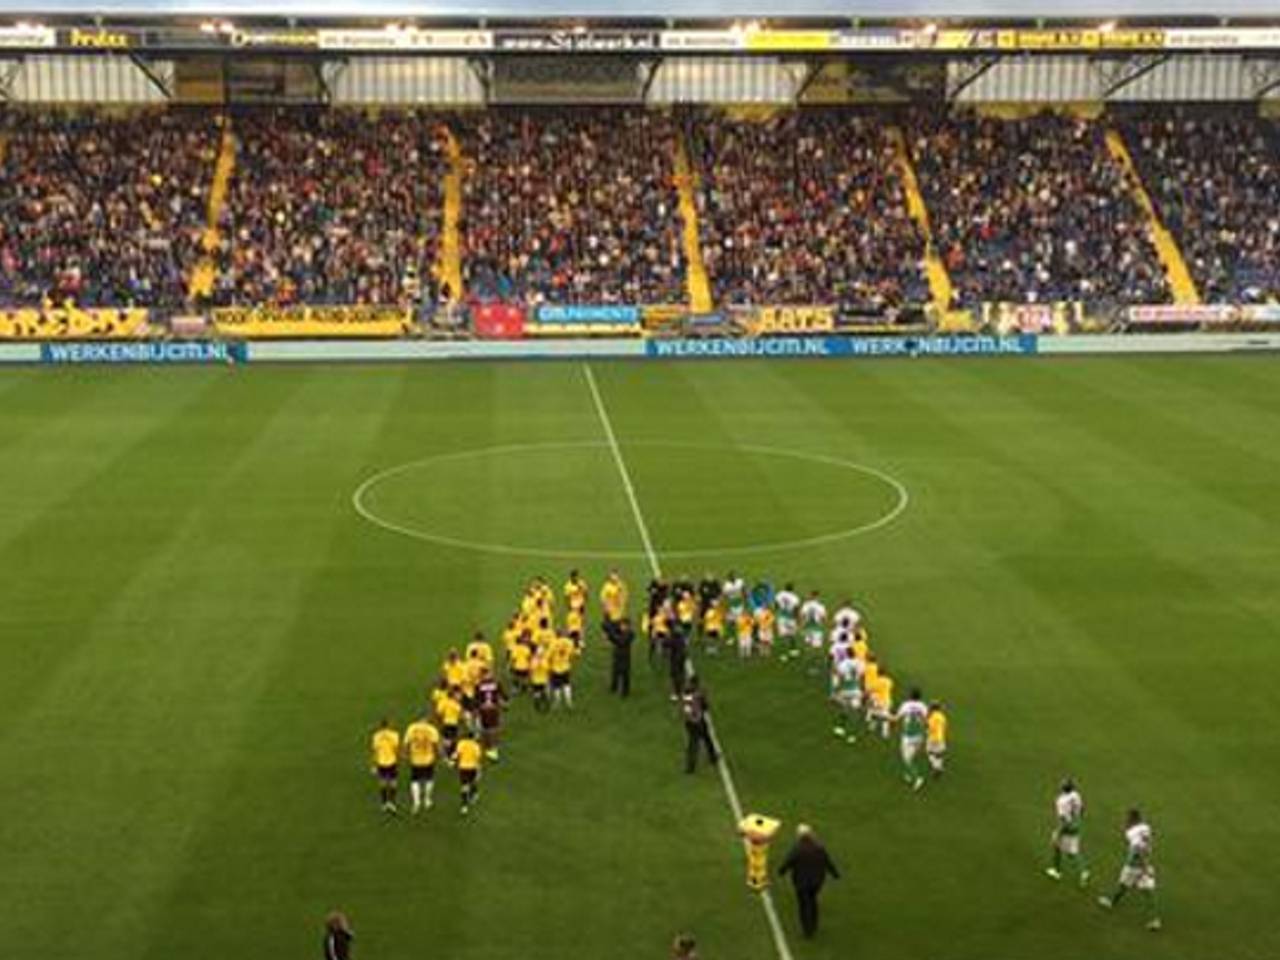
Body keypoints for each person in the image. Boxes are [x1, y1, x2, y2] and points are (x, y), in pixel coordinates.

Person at [1098, 808, 1160, 930]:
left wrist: (1144, 866)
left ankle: (1111, 902)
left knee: (1123, 885)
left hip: (1134, 864)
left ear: (1132, 819)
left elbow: (1137, 850)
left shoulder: (1131, 832)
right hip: (1147, 860)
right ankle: (1155, 919)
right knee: (1148, 891)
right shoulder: (1146, 827)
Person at [777, 824, 840, 939]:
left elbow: (788, 862)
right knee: (812, 901)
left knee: (803, 904)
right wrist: (835, 874)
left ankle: (807, 929)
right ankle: (814, 925)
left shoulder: (797, 849)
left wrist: (781, 871)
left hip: (801, 882)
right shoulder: (819, 848)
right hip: (817, 881)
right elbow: (827, 861)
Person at [1046, 779, 1089, 886]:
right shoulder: (1076, 795)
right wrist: (1078, 820)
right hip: (1077, 825)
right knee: (1073, 852)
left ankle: (1056, 871)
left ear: (1063, 788)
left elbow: (1063, 820)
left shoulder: (1061, 801)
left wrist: (1058, 832)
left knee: (1056, 845)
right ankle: (1083, 871)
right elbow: (1082, 808)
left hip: (1067, 826)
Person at [403, 712, 441, 814]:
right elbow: (435, 744)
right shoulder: (432, 729)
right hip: (428, 758)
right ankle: (427, 800)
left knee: (415, 780)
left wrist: (406, 754)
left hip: (415, 758)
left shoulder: (411, 728)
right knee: (429, 779)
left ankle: (416, 802)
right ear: (426, 719)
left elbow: (406, 743)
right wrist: (438, 755)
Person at [892, 686, 929, 790]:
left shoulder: (905, 705)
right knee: (911, 756)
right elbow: (926, 720)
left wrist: (886, 717)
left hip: (908, 736)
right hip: (919, 735)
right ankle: (908, 775)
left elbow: (896, 718)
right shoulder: (923, 706)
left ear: (910, 696)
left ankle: (917, 778)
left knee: (906, 759)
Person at [681, 676, 718, 774]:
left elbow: (686, 709)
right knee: (704, 740)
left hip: (690, 722)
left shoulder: (686, 693)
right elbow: (705, 707)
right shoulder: (698, 695)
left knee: (696, 743)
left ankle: (691, 766)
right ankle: (711, 758)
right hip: (697, 721)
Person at [370, 719, 400, 814]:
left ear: (380, 726)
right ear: (389, 725)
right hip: (392, 761)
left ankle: (384, 803)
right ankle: (392, 803)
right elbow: (396, 749)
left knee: (382, 782)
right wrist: (399, 760)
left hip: (381, 762)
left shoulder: (376, 736)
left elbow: (375, 751)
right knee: (393, 782)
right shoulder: (394, 735)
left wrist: (374, 765)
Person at [454, 733, 483, 815]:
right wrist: (479, 770)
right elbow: (478, 759)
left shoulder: (461, 743)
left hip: (463, 768)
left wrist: (453, 761)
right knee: (473, 782)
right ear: (473, 738)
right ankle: (473, 794)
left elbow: (456, 755)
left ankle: (464, 806)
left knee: (464, 786)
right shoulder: (476, 746)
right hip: (472, 768)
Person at [549, 631, 578, 710]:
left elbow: (549, 656)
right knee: (566, 684)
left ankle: (557, 702)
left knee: (557, 686)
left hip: (556, 667)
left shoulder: (553, 643)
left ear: (556, 635)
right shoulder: (569, 642)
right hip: (566, 667)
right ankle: (569, 702)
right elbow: (573, 653)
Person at [608, 616, 635, 696]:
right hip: (617, 654)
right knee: (615, 671)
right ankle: (614, 687)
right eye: (621, 625)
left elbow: (621, 642)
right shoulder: (620, 632)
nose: (622, 627)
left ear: (628, 626)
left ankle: (625, 691)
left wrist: (612, 636)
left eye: (624, 625)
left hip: (625, 656)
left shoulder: (630, 634)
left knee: (624, 673)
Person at [775, 583, 801, 660]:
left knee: (783, 636)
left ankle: (783, 654)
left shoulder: (779, 594)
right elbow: (796, 610)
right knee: (792, 635)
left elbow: (776, 605)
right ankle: (793, 650)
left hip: (781, 617)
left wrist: (777, 613)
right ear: (792, 589)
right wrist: (798, 620)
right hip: (791, 618)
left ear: (785, 588)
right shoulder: (795, 597)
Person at [926, 701, 948, 777]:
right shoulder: (942, 717)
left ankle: (936, 767)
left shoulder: (932, 717)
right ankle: (939, 766)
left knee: (930, 752)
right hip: (941, 737)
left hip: (933, 737)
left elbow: (930, 727)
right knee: (939, 754)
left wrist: (927, 730)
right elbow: (944, 726)